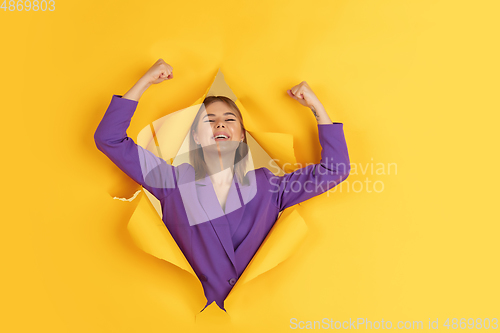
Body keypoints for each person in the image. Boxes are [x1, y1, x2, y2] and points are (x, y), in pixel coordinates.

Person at [94, 58, 351, 312]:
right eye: (209, 120)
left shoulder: (269, 187)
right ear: (196, 135)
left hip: (257, 318)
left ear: (241, 134)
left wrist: (316, 107)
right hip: (186, 319)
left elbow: (335, 169)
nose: (219, 123)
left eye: (230, 119)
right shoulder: (173, 183)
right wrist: (145, 81)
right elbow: (110, 139)